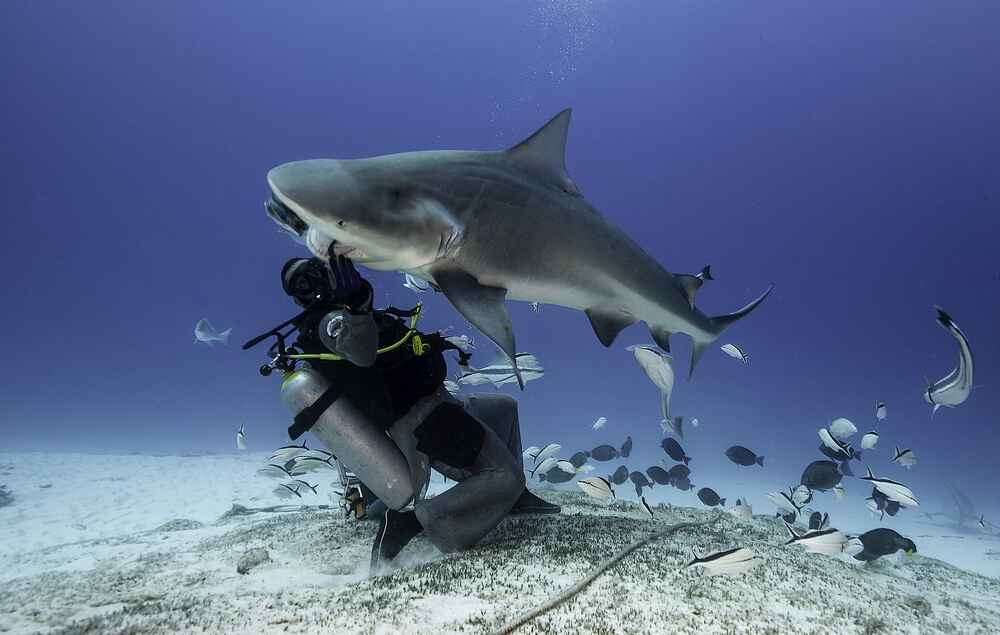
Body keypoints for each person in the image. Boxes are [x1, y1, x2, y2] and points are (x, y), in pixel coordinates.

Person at [277, 254, 559, 574]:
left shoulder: (343, 312)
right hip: (424, 420)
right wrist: (357, 308)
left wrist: (356, 308)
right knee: (507, 476)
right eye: (301, 282)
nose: (314, 282)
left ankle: (515, 499)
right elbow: (362, 353)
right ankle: (416, 519)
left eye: (316, 272)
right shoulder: (329, 322)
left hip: (439, 401)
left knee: (504, 406)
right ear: (296, 297)